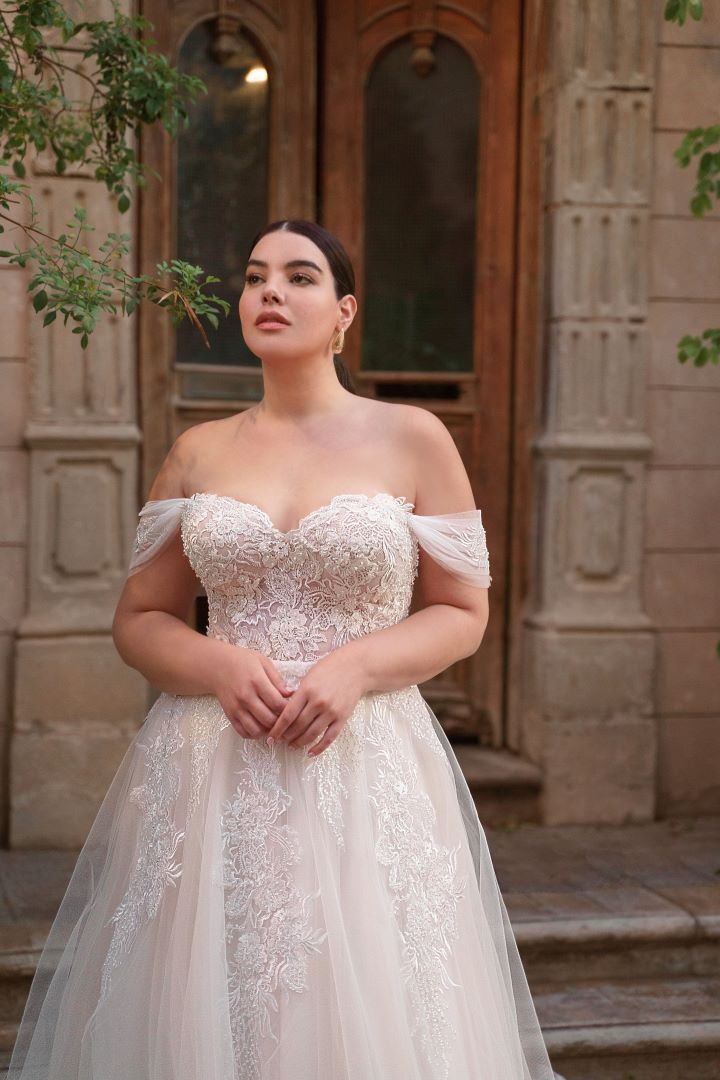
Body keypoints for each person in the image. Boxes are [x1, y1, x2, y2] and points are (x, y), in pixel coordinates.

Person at [8, 219, 557, 1079]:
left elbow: (462, 612)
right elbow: (141, 619)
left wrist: (356, 666)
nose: (270, 291)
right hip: (212, 769)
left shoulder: (413, 437)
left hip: (363, 764)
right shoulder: (199, 450)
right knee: (206, 1004)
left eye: (299, 277)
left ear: (343, 314)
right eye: (257, 275)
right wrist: (217, 662)